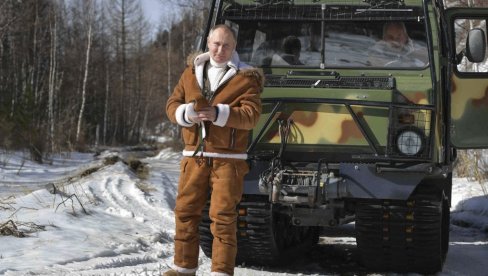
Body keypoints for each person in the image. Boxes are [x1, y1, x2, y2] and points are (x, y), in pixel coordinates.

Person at [164, 24, 263, 276]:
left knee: (222, 218)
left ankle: (221, 272)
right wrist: (185, 112)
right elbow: (172, 104)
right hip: (194, 157)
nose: (220, 50)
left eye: (226, 45)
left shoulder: (247, 77)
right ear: (208, 42)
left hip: (228, 160)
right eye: (216, 44)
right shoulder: (190, 72)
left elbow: (251, 116)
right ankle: (183, 268)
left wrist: (220, 114)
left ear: (234, 47)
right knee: (185, 213)